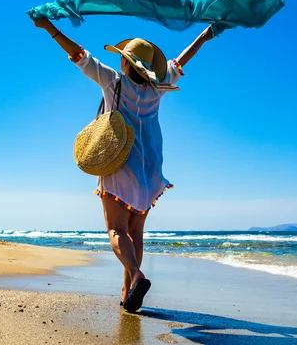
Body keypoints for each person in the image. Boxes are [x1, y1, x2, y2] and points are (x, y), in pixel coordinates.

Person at [32, 17, 214, 312]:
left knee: (116, 230)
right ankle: (127, 289)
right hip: (151, 168)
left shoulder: (113, 82)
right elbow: (181, 61)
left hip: (119, 162)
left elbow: (80, 55)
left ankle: (137, 276)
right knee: (136, 232)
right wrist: (204, 37)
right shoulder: (158, 88)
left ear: (126, 64)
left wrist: (50, 28)